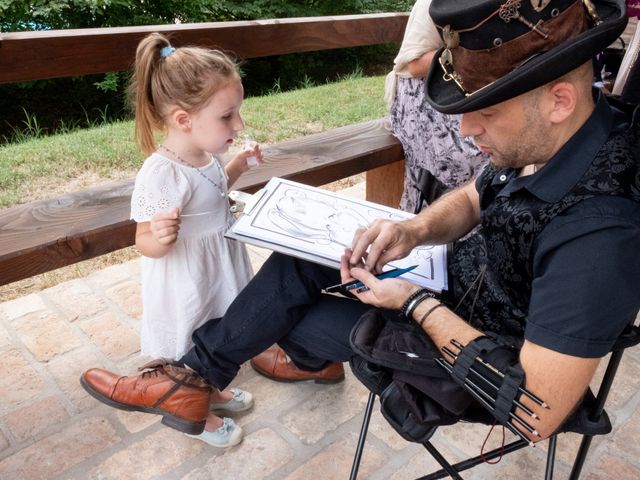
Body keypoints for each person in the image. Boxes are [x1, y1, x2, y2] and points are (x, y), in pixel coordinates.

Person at [81, 0, 640, 445]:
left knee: (281, 314)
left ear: (559, 100)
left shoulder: (599, 235)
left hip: (465, 354)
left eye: (486, 112)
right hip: (448, 283)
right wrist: (414, 231)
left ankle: (214, 376)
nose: (467, 130)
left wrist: (412, 303)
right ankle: (195, 378)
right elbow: (476, 193)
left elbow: (532, 412)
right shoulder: (577, 129)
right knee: (305, 255)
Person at [124, 33, 263, 447]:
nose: (238, 124)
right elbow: (142, 240)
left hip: (216, 266)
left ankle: (210, 390)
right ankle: (192, 411)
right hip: (188, 275)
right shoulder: (162, 172)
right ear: (184, 120)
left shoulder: (203, 154)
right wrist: (160, 237)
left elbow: (213, 189)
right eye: (228, 116)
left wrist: (237, 165)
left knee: (216, 331)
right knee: (190, 337)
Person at [385, 0, 489, 214]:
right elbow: (414, 65)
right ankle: (441, 219)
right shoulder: (428, 4)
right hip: (423, 92)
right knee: (472, 152)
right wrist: (474, 51)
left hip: (468, 89)